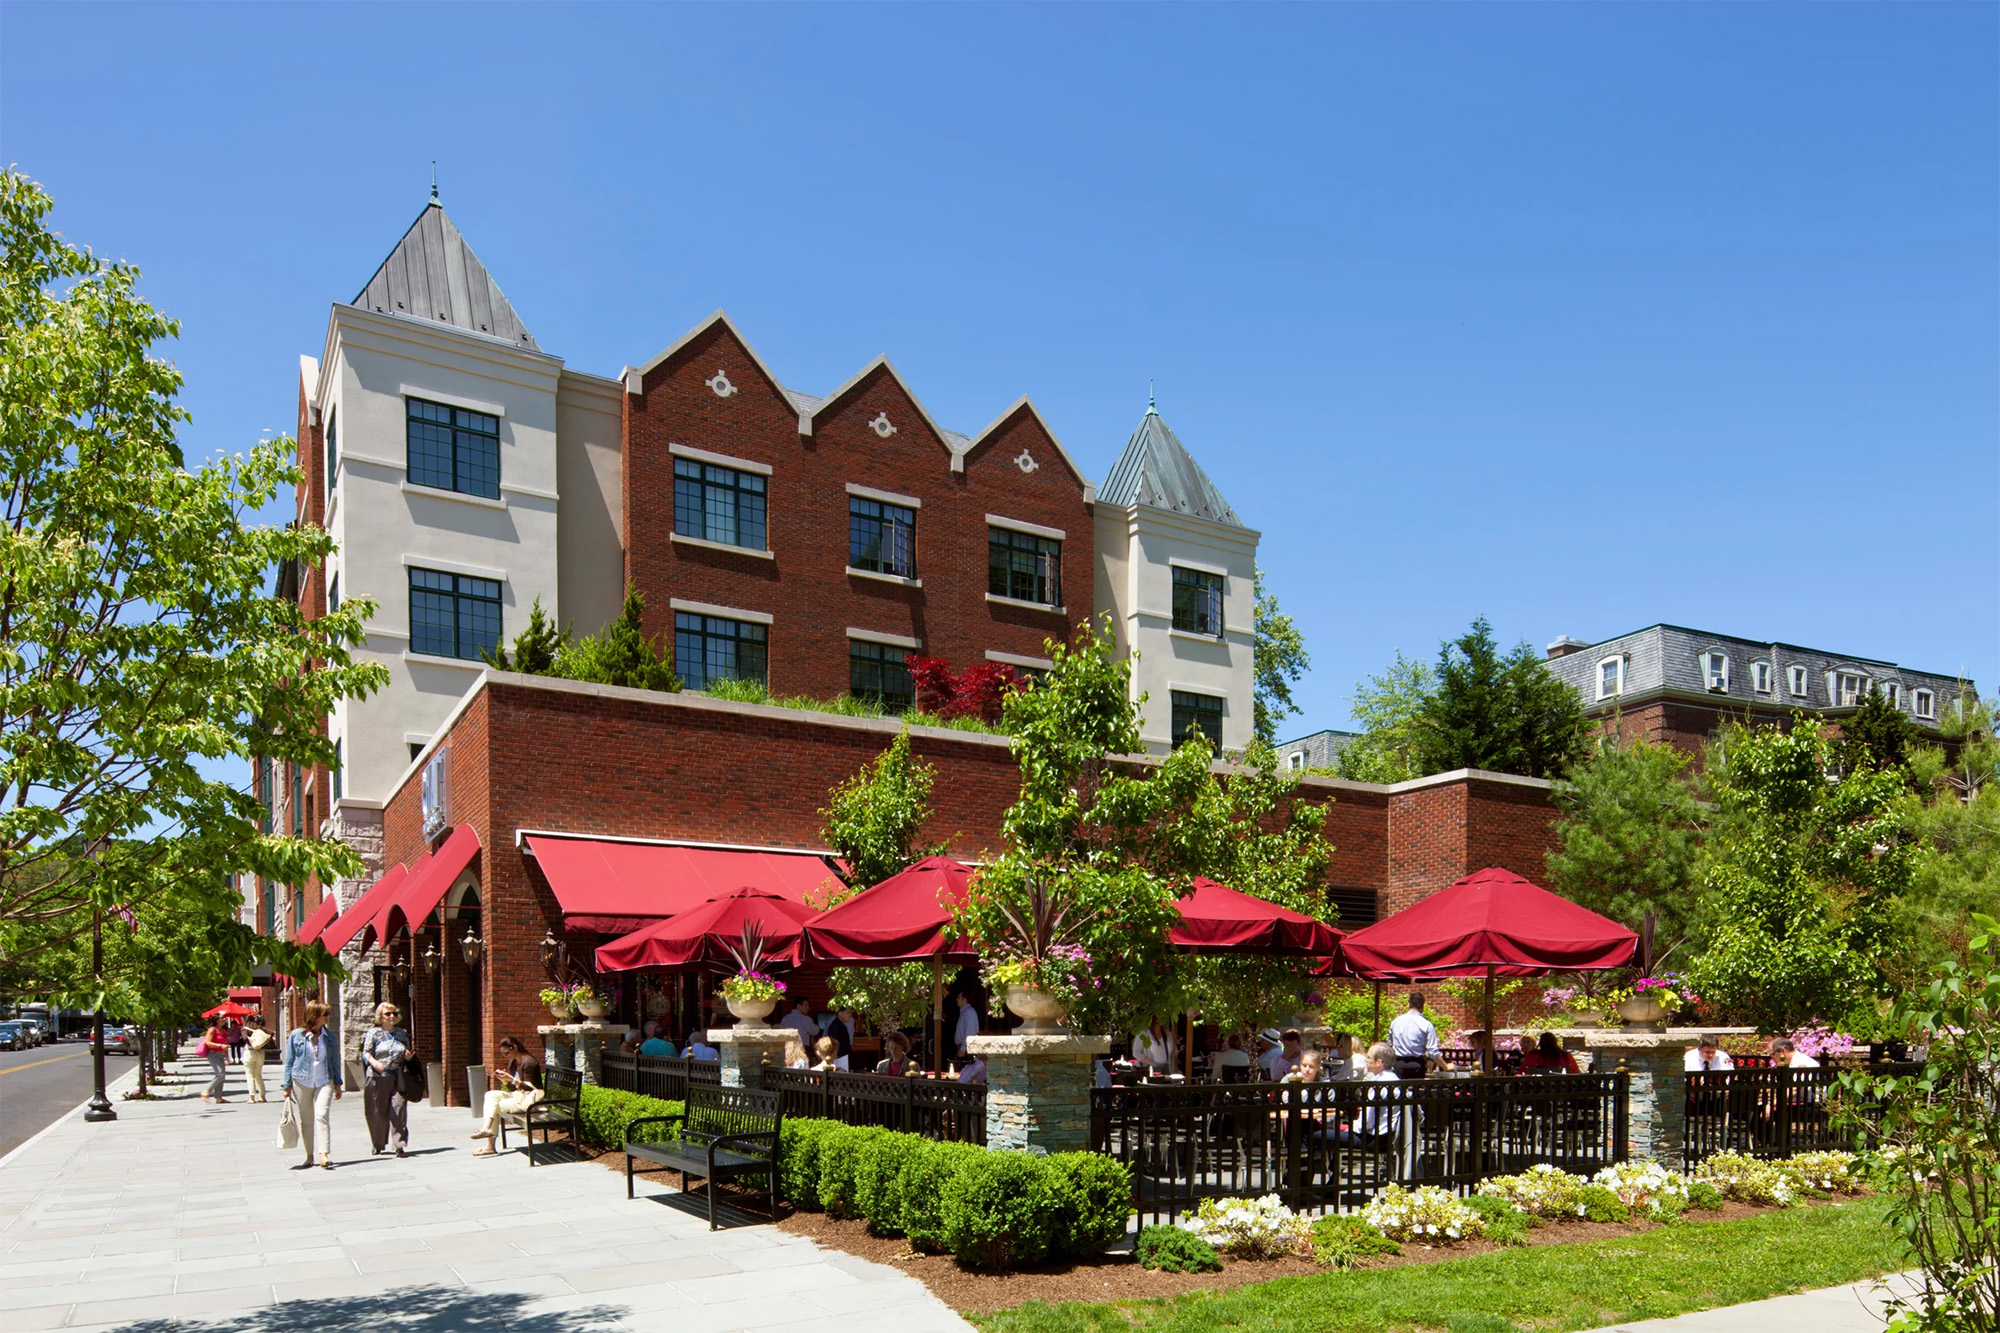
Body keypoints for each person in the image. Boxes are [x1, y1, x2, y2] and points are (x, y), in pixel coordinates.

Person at [280, 1000, 343, 1170]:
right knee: (306, 1120)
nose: (328, 1017)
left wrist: (338, 1083)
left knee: (321, 1115)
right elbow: (289, 1061)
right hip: (302, 1081)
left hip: (325, 1079)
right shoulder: (296, 1036)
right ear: (314, 1016)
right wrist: (286, 1086)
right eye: (325, 1014)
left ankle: (324, 1155)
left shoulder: (329, 1037)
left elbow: (335, 1061)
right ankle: (309, 1156)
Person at [471, 1036, 543, 1156]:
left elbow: (530, 1089)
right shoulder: (514, 1063)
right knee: (490, 1095)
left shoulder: (529, 1062)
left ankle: (490, 1146)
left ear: (514, 1047)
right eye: (503, 1054)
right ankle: (486, 1128)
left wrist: (511, 1079)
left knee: (496, 1106)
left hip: (530, 1100)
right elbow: (514, 1088)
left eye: (506, 1052)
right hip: (519, 1096)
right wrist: (504, 1080)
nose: (506, 1056)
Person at [360, 1002, 413, 1157]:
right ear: (380, 1017)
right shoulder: (374, 1033)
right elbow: (366, 1053)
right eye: (388, 1014)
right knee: (377, 1112)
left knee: (399, 1109)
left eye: (394, 1014)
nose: (392, 1017)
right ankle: (377, 1144)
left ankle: (399, 1145)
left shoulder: (402, 1033)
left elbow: (406, 1052)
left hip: (398, 1077)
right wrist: (374, 1062)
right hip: (377, 1077)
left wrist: (408, 1057)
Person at [1332, 1042, 1403, 1148]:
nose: (1365, 1060)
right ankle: (1332, 1164)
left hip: (1371, 1139)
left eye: (1368, 1057)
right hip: (1388, 1137)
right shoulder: (1395, 1080)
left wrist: (1349, 1128)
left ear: (1378, 1062)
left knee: (1316, 1135)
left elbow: (1366, 1123)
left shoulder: (1377, 1085)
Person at [1388, 992, 1440, 1080]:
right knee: (1416, 1092)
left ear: (1409, 1004)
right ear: (1423, 1006)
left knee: (1399, 1092)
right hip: (1416, 1065)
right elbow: (1432, 1051)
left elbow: (1390, 1045)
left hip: (1399, 1064)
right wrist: (1446, 1067)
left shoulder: (1395, 1022)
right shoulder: (1426, 1024)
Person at [199, 1017, 231, 1103]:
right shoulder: (212, 1030)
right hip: (213, 1054)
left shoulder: (223, 1031)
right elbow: (208, 1042)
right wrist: (220, 1046)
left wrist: (227, 1058)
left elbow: (225, 1045)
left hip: (220, 1055)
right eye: (222, 1018)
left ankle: (219, 1098)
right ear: (216, 1020)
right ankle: (207, 1091)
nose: (224, 1019)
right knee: (220, 1074)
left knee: (222, 1076)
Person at [243, 1017, 271, 1102]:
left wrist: (253, 1044)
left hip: (250, 1052)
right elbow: (271, 1034)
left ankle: (252, 1097)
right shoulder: (259, 1028)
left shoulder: (245, 1028)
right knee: (258, 1075)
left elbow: (244, 1038)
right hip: (260, 1052)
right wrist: (261, 1045)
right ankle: (262, 1096)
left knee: (250, 1075)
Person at [953, 992, 981, 1058]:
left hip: (966, 1050)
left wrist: (963, 1048)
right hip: (963, 1048)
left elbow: (970, 1031)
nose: (957, 999)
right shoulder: (964, 1012)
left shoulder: (969, 1012)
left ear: (964, 999)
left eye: (959, 998)